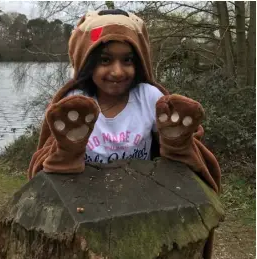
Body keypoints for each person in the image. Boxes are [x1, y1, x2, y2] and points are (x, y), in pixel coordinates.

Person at [28, 9, 221, 194]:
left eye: (127, 60)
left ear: (139, 62)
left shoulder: (150, 97)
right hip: (84, 198)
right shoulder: (74, 104)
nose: (118, 71)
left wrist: (176, 144)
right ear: (87, 62)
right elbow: (44, 162)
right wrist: (64, 153)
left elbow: (192, 153)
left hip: (142, 198)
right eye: (105, 60)